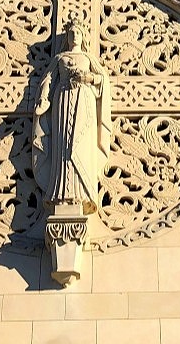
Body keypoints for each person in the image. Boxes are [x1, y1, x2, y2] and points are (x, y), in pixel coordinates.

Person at [32, 16, 112, 214]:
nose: (75, 36)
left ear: (83, 37)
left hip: (84, 101)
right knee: (63, 146)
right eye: (71, 33)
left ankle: (83, 192)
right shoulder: (59, 58)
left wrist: (87, 77)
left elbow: (103, 81)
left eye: (78, 33)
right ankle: (61, 191)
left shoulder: (88, 59)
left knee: (82, 143)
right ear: (67, 37)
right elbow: (47, 80)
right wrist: (43, 99)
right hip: (63, 100)